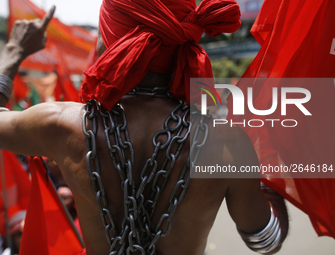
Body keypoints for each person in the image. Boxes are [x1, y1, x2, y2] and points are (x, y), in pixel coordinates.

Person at [0, 1, 288, 255]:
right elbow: (265, 240)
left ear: (108, 43)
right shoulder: (228, 143)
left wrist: (14, 50)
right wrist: (267, 177)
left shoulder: (61, 125)